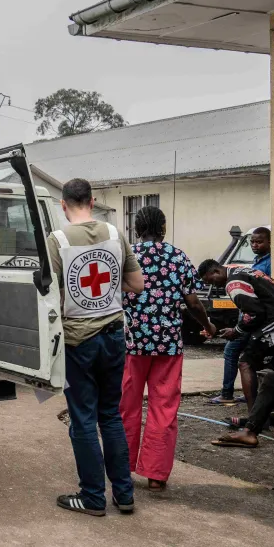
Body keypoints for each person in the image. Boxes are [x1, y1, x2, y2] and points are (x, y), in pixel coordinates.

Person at [47, 178, 144, 516]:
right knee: (111, 416)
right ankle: (125, 494)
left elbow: (49, 296)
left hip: (78, 343)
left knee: (83, 420)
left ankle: (92, 498)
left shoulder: (57, 240)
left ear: (63, 204)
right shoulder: (116, 234)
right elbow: (137, 284)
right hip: (115, 336)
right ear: (92, 200)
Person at [118, 206, 215, 491]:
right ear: (163, 228)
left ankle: (122, 469)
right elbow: (193, 302)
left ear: (137, 229)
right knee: (164, 408)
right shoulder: (177, 256)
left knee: (127, 407)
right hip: (169, 344)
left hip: (132, 343)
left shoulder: (126, 256)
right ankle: (156, 476)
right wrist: (207, 325)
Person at [197, 258, 274, 449]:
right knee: (268, 367)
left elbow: (255, 313)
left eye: (210, 281)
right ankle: (264, 415)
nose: (213, 285)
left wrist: (237, 331)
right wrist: (235, 329)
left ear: (216, 271)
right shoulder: (238, 269)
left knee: (246, 363)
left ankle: (253, 421)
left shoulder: (233, 284)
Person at [209, 226, 271, 406]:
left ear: (269, 242)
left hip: (254, 317)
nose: (254, 245)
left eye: (259, 242)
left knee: (232, 351)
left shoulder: (268, 263)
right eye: (252, 242)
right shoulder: (258, 261)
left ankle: (227, 393)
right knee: (247, 357)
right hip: (249, 316)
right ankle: (249, 392)